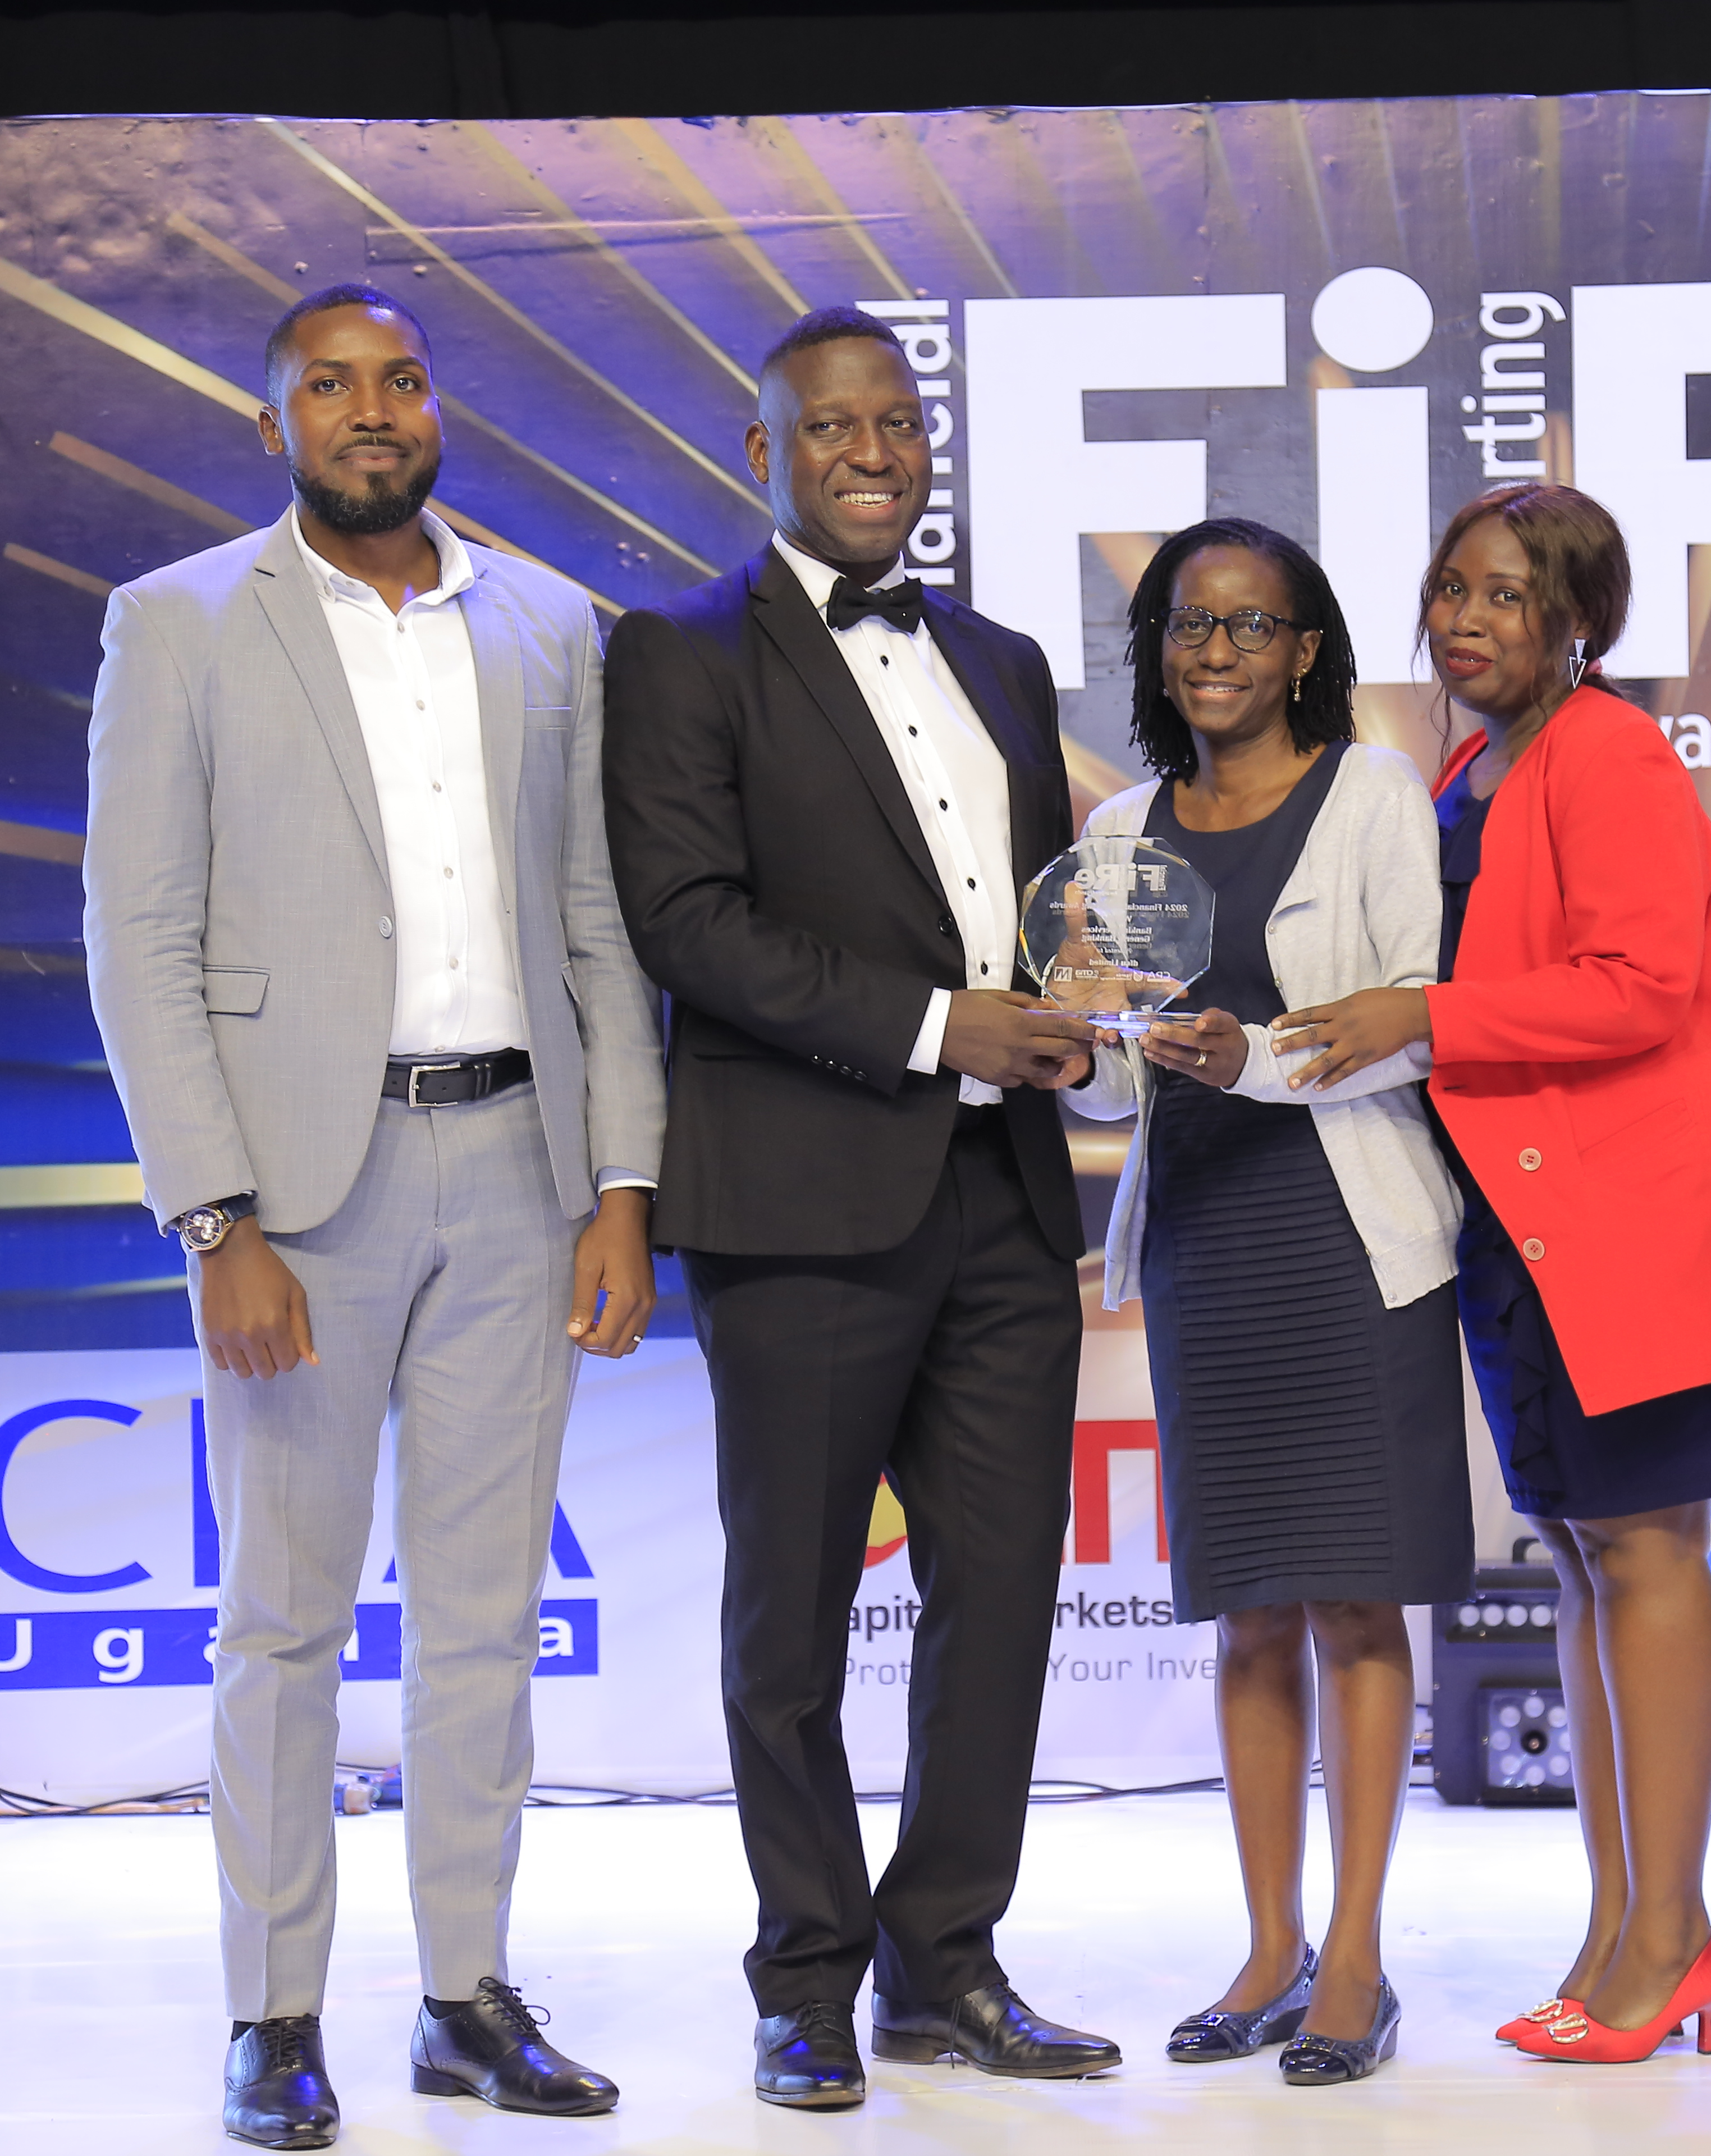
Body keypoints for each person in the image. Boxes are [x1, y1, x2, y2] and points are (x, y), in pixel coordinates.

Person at [83, 285, 666, 2149]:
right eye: (327, 387)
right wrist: (212, 1215)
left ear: (437, 410)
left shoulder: (554, 624)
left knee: (486, 1624)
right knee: (281, 1627)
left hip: (519, 1170)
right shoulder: (179, 622)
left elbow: (598, 930)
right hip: (295, 1202)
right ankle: (272, 2016)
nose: (369, 412)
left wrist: (623, 1187)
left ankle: (465, 1998)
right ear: (276, 427)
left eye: (399, 382)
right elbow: (138, 937)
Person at [599, 307, 1115, 2111]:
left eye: (897, 422)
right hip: (804, 1198)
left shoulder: (1004, 657)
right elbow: (688, 922)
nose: (873, 452)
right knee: (794, 1610)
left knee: (1002, 1599)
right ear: (766, 455)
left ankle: (945, 1961)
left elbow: (1034, 922)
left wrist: (1079, 1001)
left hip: (1004, 1195)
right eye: (832, 428)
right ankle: (806, 1975)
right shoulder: (677, 655)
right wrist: (934, 1027)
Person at [1280, 482, 1711, 2065]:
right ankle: (1618, 1922)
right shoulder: (1471, 766)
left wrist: (1422, 1015)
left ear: (1577, 622)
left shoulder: (1613, 755)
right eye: (1450, 590)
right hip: (1531, 1225)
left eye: (1507, 595)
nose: (1466, 620)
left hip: (1640, 1217)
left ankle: (1673, 1935)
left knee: (1646, 1553)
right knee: (1587, 1558)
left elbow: (1641, 990)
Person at [1061, 520, 1470, 2086]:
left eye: (1249, 626)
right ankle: (1267, 1947)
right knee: (1249, 1612)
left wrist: (1261, 1053)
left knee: (1361, 1602)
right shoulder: (1118, 830)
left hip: (1349, 1234)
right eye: (1186, 626)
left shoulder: (1369, 797)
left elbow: (1423, 1021)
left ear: (1308, 648)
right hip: (1206, 1247)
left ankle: (1356, 1956)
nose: (1214, 652)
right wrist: (1087, 1032)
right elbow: (1107, 1098)